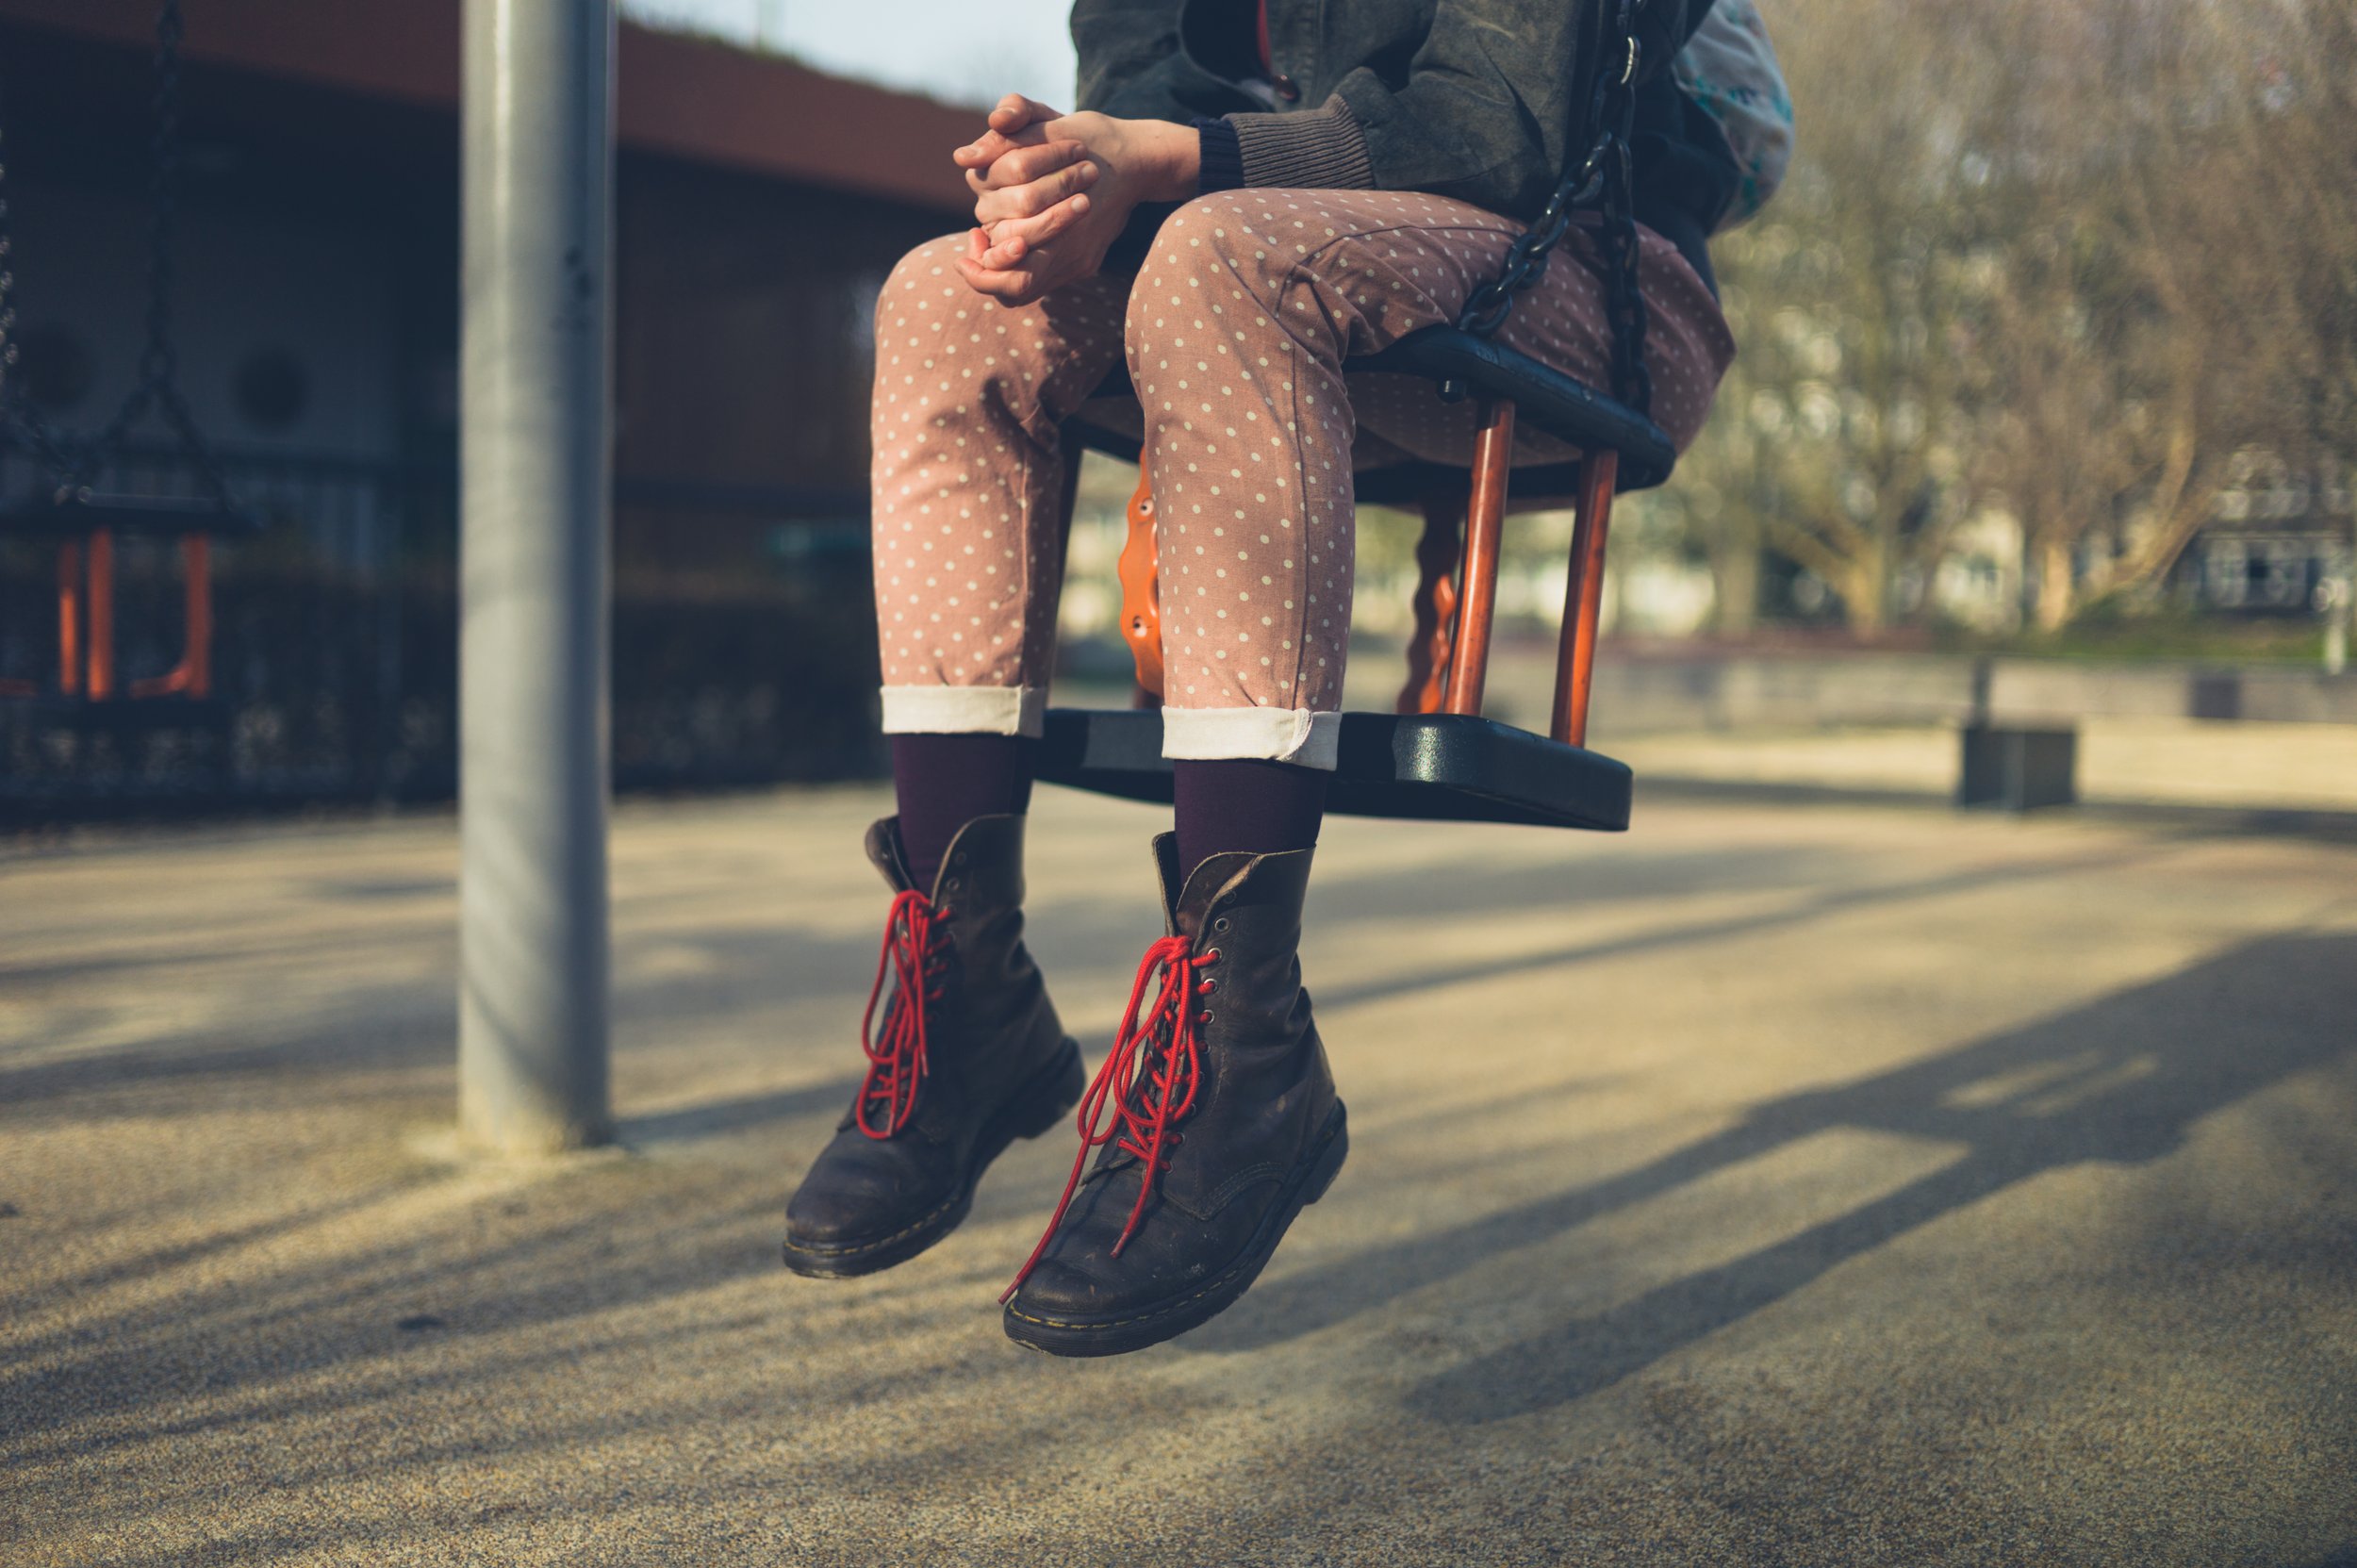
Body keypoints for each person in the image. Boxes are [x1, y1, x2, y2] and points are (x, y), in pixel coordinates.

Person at [784, 0, 1755, 1357]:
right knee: (943, 298)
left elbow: (1494, 124)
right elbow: (1134, 79)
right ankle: (968, 989)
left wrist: (1163, 160)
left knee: (1217, 255)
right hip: (1281, 258)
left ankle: (1248, 1050)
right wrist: (1067, 174)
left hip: (1585, 265)